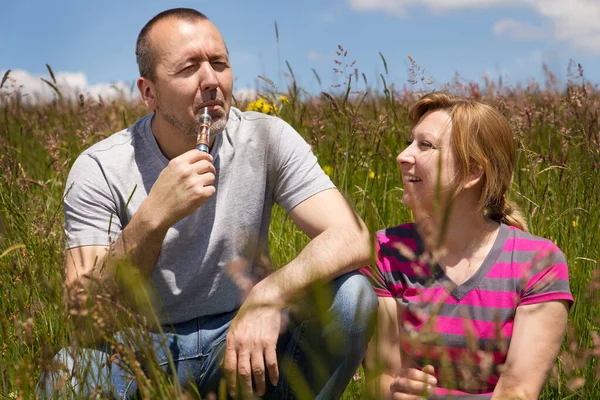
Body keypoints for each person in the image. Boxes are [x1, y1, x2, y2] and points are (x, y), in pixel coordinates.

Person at [39, 8, 377, 399]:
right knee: (68, 373)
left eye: (220, 64)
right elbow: (84, 314)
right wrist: (153, 217)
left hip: (238, 335)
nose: (211, 81)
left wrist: (269, 294)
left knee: (352, 297)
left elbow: (353, 236)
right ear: (149, 92)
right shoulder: (101, 166)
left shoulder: (265, 137)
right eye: (188, 69)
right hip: (140, 346)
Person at [361, 92, 573, 399]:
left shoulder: (539, 262)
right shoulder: (384, 251)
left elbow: (517, 391)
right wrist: (393, 391)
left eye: (425, 145)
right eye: (410, 142)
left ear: (472, 171)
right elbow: (384, 377)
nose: (402, 155)